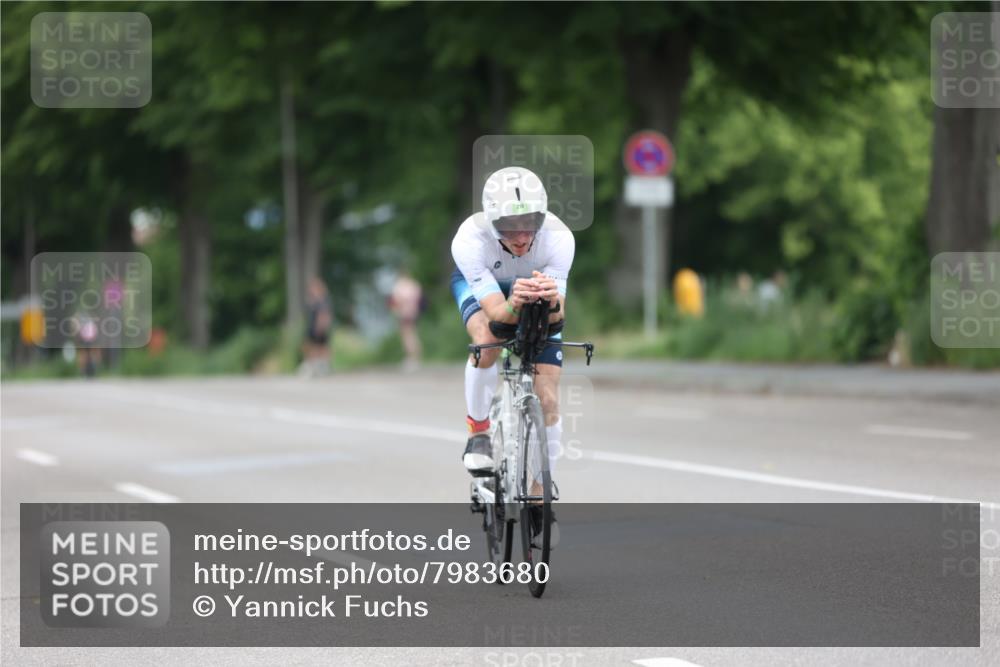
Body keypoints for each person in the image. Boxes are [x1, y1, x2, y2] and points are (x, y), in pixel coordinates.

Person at [450, 166, 573, 539]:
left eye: (530, 223)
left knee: (548, 398)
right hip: (488, 291)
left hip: (532, 291)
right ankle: (479, 431)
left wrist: (551, 301)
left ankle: (538, 495)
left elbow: (559, 314)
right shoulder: (470, 240)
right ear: (491, 222)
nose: (521, 237)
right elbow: (498, 315)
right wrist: (514, 304)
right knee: (486, 341)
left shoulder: (558, 238)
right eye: (508, 226)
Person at [388, 269, 424, 370]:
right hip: (414, 313)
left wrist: (397, 309)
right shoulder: (414, 285)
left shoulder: (400, 286)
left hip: (404, 313)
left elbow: (396, 300)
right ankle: (416, 358)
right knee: (413, 334)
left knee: (407, 336)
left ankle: (411, 358)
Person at [300, 276, 333, 377]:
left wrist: (322, 326)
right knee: (311, 347)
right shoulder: (313, 301)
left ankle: (322, 367)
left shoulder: (322, 301)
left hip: (318, 328)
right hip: (311, 327)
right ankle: (314, 366)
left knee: (321, 347)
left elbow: (325, 315)